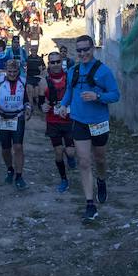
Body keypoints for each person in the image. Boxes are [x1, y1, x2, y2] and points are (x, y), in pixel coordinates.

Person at [58, 35, 120, 222]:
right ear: (76, 52)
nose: (83, 53)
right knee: (84, 161)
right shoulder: (73, 70)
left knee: (99, 159)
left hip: (99, 122)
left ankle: (101, 180)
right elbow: (69, 90)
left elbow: (115, 95)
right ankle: (90, 204)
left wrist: (97, 96)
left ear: (93, 49)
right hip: (79, 121)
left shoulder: (104, 71)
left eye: (86, 49)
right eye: (79, 50)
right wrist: (63, 105)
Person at [0, 59, 32, 190]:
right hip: (3, 117)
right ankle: (9, 169)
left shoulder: (23, 82)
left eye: (15, 71)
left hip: (17, 117)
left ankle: (19, 176)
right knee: (5, 148)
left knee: (18, 147)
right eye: (10, 71)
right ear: (5, 70)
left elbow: (27, 99)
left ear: (19, 71)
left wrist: (29, 108)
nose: (12, 74)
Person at [41, 51, 77, 192]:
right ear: (48, 63)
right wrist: (42, 106)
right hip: (53, 120)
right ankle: (63, 179)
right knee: (58, 151)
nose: (55, 65)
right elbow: (41, 101)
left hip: (68, 119)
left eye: (57, 62)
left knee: (70, 152)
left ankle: (71, 158)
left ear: (61, 62)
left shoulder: (69, 78)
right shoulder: (44, 80)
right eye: (52, 62)